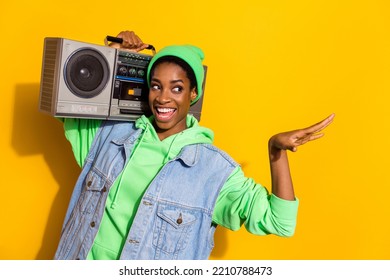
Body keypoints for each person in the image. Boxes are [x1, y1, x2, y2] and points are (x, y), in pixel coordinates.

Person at [53, 30, 335, 260]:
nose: (163, 98)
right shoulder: (111, 137)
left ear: (193, 94)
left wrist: (276, 152)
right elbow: (69, 102)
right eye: (156, 85)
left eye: (177, 88)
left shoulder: (213, 171)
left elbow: (280, 223)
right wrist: (116, 59)